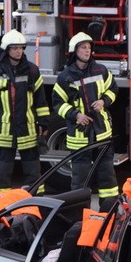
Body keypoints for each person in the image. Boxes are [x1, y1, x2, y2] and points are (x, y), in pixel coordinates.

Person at [52, 32, 119, 210]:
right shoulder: (66, 76)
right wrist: (76, 115)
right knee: (80, 178)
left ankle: (109, 211)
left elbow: (113, 89)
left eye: (89, 47)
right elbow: (58, 104)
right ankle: (79, 213)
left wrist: (104, 101)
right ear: (75, 51)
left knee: (107, 177)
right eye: (83, 47)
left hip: (102, 132)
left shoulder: (101, 70)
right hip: (79, 136)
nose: (87, 51)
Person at [0, 30, 50, 192]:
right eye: (15, 48)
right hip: (4, 132)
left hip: (28, 131)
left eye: (21, 48)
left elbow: (41, 101)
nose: (19, 51)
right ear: (7, 50)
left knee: (33, 173)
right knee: (2, 174)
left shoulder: (32, 71)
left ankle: (36, 204)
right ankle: (1, 206)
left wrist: (44, 123)